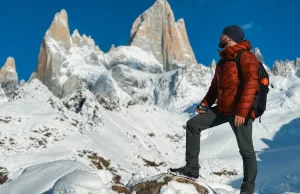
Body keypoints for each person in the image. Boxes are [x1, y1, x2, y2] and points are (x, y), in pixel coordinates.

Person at [168, 25, 259, 194]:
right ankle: (191, 169)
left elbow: (251, 84)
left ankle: (247, 190)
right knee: (193, 125)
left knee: (247, 152)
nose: (220, 36)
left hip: (240, 111)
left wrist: (242, 111)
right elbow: (214, 88)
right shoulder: (223, 62)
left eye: (223, 34)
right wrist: (205, 104)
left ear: (230, 37)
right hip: (223, 109)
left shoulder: (246, 57)